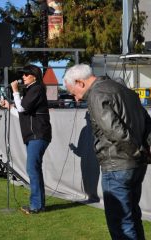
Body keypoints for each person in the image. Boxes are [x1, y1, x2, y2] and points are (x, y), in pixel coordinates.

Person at [63, 63, 151, 240]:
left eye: (74, 93)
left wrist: (137, 152)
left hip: (118, 164)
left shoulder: (96, 94)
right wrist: (143, 151)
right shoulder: (123, 90)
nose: (77, 99)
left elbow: (115, 131)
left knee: (121, 223)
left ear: (80, 82)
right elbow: (146, 121)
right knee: (132, 217)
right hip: (135, 164)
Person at [0, 64, 52, 215]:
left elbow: (23, 108)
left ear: (34, 76)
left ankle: (36, 206)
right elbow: (22, 115)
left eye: (26, 74)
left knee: (32, 169)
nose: (23, 76)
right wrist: (9, 107)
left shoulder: (37, 88)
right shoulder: (31, 90)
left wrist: (15, 91)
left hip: (38, 135)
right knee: (34, 169)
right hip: (33, 135)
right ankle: (39, 204)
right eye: (23, 74)